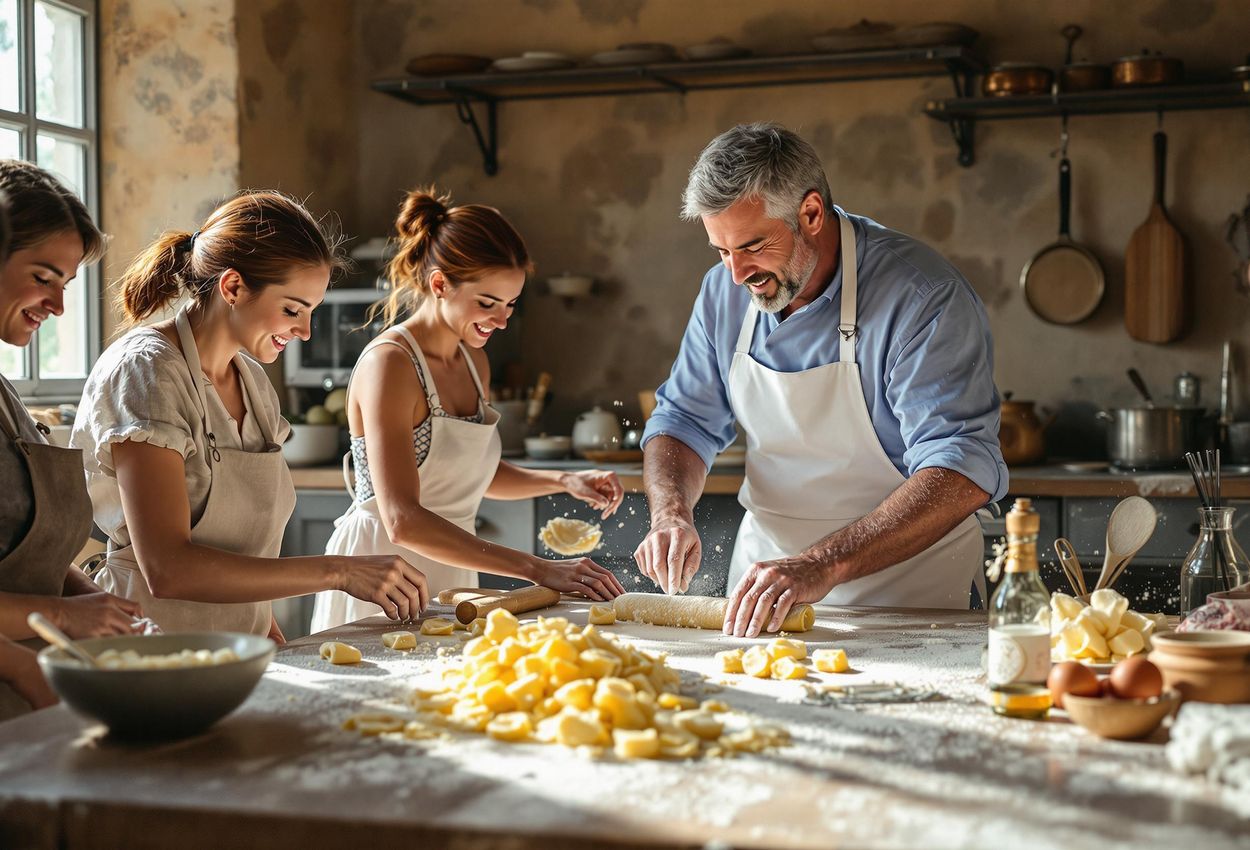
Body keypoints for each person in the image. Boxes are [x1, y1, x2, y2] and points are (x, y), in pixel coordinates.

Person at [634, 123, 1007, 637]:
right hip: (764, 591)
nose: (737, 273)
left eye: (753, 245)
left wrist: (819, 564)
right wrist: (670, 513)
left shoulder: (920, 297)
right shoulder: (724, 291)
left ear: (810, 213)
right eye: (720, 251)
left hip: (913, 596)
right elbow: (683, 420)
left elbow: (960, 469)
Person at [72, 192, 429, 637]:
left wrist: (263, 623)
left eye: (311, 312)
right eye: (292, 309)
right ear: (233, 287)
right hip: (152, 647)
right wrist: (340, 572)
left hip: (240, 646)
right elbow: (168, 568)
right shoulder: (146, 372)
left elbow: (242, 551)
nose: (304, 331)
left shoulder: (253, 383)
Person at [310, 187, 625, 632]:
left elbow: (468, 472)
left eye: (511, 304)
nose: (501, 320)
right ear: (440, 284)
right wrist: (537, 569)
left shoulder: (474, 361)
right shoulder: (391, 365)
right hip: (384, 573)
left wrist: (563, 480)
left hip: (454, 570)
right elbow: (401, 519)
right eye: (487, 302)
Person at [0, 160, 142, 720]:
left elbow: (23, 547)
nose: (58, 307)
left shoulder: (6, 394)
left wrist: (95, 603)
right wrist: (58, 624)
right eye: (43, 276)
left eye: (65, 284)